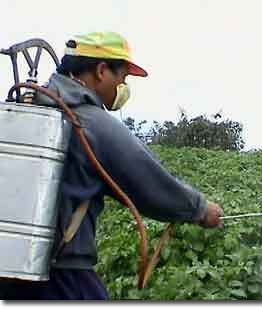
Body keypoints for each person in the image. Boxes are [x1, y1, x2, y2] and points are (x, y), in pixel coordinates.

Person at [0, 32, 223, 300]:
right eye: (122, 78)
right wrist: (199, 209)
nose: (123, 87)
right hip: (62, 273)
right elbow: (147, 180)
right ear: (101, 71)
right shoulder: (91, 122)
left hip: (13, 268)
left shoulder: (36, 109)